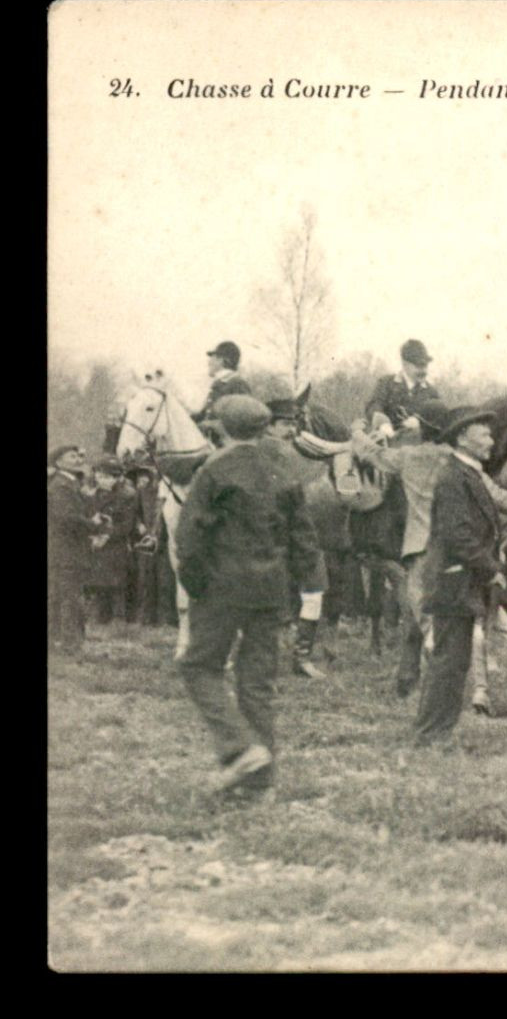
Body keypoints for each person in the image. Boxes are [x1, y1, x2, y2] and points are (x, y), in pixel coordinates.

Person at [172, 396, 324, 799]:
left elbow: (189, 537)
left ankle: (239, 748)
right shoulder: (282, 470)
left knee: (198, 667)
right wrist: (301, 586)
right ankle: (260, 786)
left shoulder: (213, 471)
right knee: (256, 683)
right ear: (262, 427)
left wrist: (196, 584)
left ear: (219, 427)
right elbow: (303, 538)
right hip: (270, 591)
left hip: (221, 588)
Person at [350, 399, 507, 703]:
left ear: (422, 428)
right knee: (462, 617)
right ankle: (473, 688)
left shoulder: (408, 457)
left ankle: (442, 693)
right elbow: (498, 495)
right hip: (456, 553)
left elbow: (369, 454)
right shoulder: (462, 464)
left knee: (426, 619)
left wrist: (358, 429)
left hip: (420, 550)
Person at [413, 407, 507, 743]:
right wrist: (491, 570)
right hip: (455, 581)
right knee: (448, 662)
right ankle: (430, 735)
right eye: (484, 434)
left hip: (462, 581)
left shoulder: (468, 473)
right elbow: (458, 535)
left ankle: (437, 732)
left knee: (454, 661)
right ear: (462, 438)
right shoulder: (454, 478)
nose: (491, 441)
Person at [263, 396, 330, 678]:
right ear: (269, 426)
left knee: (314, 590)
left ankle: (301, 657)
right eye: (284, 424)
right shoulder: (263, 451)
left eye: (293, 423)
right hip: (271, 538)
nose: (290, 429)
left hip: (301, 537)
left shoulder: (296, 453)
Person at [48, 445, 106, 654]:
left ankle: (63, 643)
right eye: (71, 456)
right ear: (59, 462)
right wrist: (93, 524)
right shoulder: (61, 486)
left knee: (66, 596)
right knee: (69, 598)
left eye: (78, 455)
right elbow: (67, 519)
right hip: (66, 551)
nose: (78, 459)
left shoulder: (70, 484)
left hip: (69, 550)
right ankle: (70, 645)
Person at [86, 455, 139, 623]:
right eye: (99, 476)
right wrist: (93, 535)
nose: (101, 480)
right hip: (97, 543)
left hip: (116, 544)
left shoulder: (127, 495)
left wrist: (107, 535)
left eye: (107, 477)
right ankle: (101, 617)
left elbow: (127, 525)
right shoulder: (93, 494)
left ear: (118, 477)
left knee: (117, 582)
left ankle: (119, 618)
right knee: (99, 581)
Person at [365, 339, 441, 439]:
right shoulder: (387, 383)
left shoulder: (432, 392)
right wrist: (383, 424)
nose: (423, 371)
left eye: (425, 366)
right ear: (405, 364)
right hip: (388, 441)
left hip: (419, 446)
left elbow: (439, 420)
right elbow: (374, 406)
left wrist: (420, 423)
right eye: (419, 366)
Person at [127, 463, 163, 625]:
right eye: (139, 476)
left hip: (162, 539)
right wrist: (139, 525)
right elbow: (134, 514)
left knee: (162, 578)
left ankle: (163, 617)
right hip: (145, 539)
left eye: (146, 475)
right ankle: (144, 617)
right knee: (144, 577)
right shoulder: (141, 493)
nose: (142, 479)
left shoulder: (162, 493)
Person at [191, 341, 254, 427]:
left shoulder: (237, 384)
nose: (209, 362)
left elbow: (242, 420)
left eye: (212, 358)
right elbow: (204, 416)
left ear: (221, 360)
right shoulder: (221, 383)